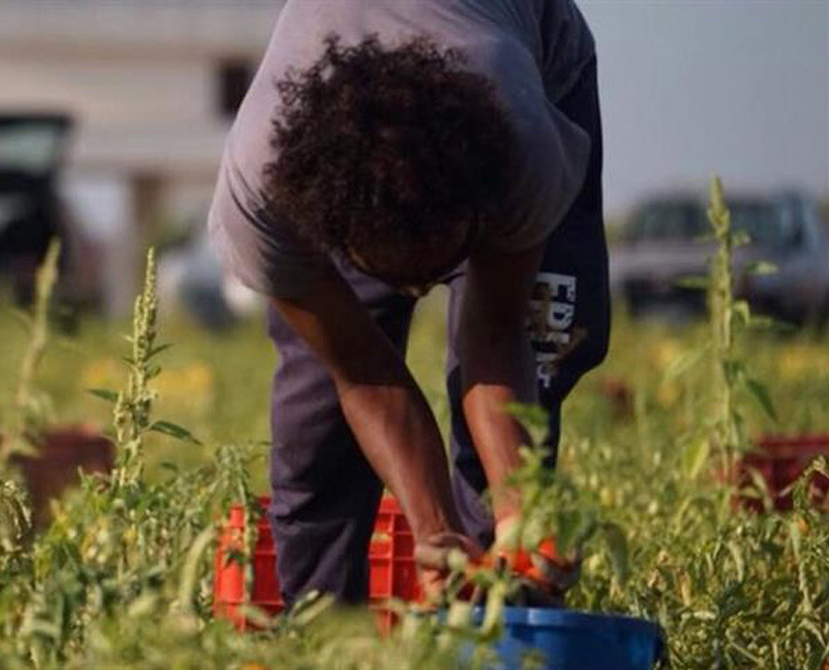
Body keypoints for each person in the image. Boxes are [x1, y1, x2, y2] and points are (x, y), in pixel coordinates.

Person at [207, 0, 607, 606]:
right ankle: (325, 633)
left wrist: (522, 509)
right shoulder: (261, 196)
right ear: (334, 233)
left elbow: (495, 334)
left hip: (531, 72)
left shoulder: (520, 145)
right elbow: (364, 374)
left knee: (538, 355)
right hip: (353, 167)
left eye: (437, 268)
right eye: (402, 280)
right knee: (317, 413)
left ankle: (495, 609)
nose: (419, 294)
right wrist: (431, 527)